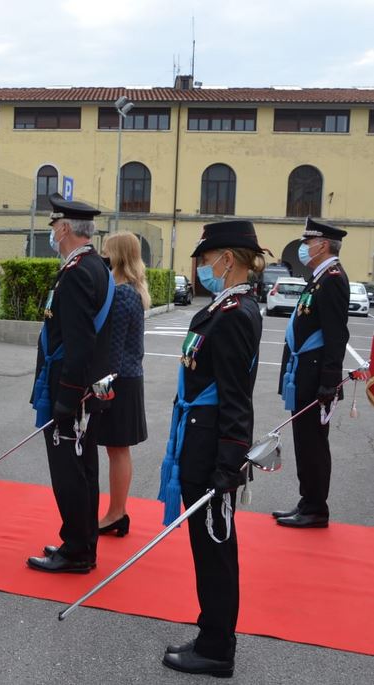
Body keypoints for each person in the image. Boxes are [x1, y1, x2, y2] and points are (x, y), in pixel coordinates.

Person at [158, 220, 264, 678]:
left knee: (215, 548)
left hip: (212, 443)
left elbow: (237, 397)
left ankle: (218, 648)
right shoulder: (225, 308)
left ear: (228, 259)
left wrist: (230, 463)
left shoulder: (236, 313)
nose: (201, 268)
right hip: (199, 436)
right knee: (207, 547)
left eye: (205, 259)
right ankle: (210, 632)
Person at [27, 194, 114, 574]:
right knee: (84, 469)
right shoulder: (93, 265)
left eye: (53, 226)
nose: (52, 232)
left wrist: (66, 398)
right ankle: (81, 540)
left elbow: (79, 342)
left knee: (70, 472)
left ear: (64, 228)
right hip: (82, 389)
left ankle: (77, 550)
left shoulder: (78, 272)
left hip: (72, 391)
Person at [274, 218, 350, 528]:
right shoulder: (318, 277)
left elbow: (336, 335)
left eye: (309, 242)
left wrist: (329, 381)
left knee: (313, 444)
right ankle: (308, 501)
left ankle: (316, 508)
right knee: (305, 442)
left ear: (324, 245)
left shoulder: (332, 278)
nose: (304, 247)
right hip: (304, 372)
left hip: (316, 375)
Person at [94, 233, 150, 536]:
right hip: (126, 378)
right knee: (117, 449)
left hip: (118, 380)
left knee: (117, 450)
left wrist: (102, 391)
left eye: (107, 251)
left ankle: (116, 513)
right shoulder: (129, 289)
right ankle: (117, 512)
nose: (103, 255)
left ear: (117, 255)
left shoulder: (123, 293)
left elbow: (113, 350)